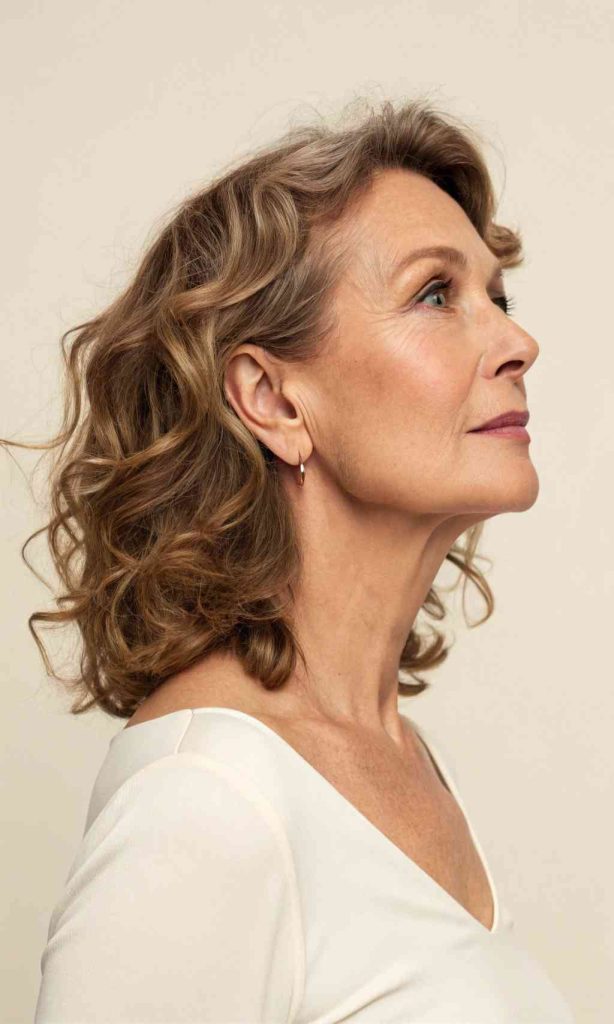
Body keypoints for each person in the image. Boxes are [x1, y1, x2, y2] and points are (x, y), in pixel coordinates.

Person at [26, 98, 576, 1021]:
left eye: (499, 297)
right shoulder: (205, 805)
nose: (518, 344)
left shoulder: (401, 759)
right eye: (435, 295)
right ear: (273, 400)